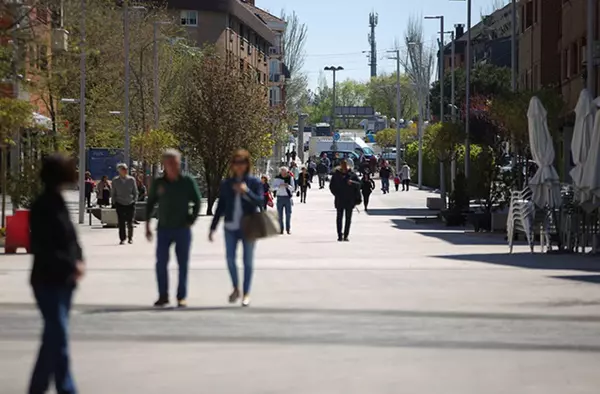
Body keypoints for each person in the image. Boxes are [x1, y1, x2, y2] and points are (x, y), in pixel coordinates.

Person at [29, 154, 84, 394]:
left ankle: (43, 387)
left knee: (54, 337)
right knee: (57, 335)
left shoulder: (59, 202)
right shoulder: (42, 206)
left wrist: (79, 259)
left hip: (65, 281)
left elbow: (71, 238)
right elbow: (45, 247)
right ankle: (64, 388)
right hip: (47, 280)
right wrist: (71, 264)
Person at [146, 149, 201, 308]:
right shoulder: (159, 182)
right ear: (164, 164)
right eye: (169, 163)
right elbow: (151, 203)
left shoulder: (187, 181)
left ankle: (181, 296)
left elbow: (197, 202)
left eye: (175, 163)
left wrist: (191, 220)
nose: (173, 166)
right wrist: (147, 225)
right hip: (164, 229)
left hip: (182, 229)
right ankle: (163, 295)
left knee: (182, 263)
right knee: (161, 263)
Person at [209, 149, 263, 307]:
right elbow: (221, 206)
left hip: (249, 226)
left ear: (247, 164)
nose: (239, 166)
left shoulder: (254, 182)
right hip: (230, 227)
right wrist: (212, 227)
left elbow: (260, 201)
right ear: (232, 165)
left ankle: (246, 293)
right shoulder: (227, 184)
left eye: (242, 162)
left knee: (247, 261)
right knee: (230, 259)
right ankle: (235, 287)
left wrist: (247, 192)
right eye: (236, 163)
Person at [330, 159, 360, 242]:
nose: (344, 168)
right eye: (343, 167)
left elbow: (359, 184)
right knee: (339, 218)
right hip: (339, 199)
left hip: (349, 200)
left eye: (345, 167)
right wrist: (336, 194)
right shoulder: (336, 175)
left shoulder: (352, 174)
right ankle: (339, 235)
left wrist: (352, 182)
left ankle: (346, 235)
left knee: (348, 218)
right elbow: (331, 186)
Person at [111, 164, 138, 245]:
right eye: (123, 169)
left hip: (130, 203)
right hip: (119, 203)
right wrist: (113, 202)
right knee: (121, 222)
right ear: (119, 170)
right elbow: (113, 192)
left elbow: (135, 191)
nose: (125, 170)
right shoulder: (115, 180)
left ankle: (130, 238)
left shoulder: (131, 180)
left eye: (126, 168)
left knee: (130, 222)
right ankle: (122, 238)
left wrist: (134, 200)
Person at [273, 166, 294, 234]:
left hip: (287, 198)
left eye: (285, 172)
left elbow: (293, 188)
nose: (284, 174)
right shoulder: (277, 178)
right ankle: (281, 229)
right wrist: (279, 186)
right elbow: (273, 188)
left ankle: (288, 229)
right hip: (280, 197)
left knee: (288, 214)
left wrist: (288, 186)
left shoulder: (290, 178)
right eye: (282, 172)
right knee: (280, 215)